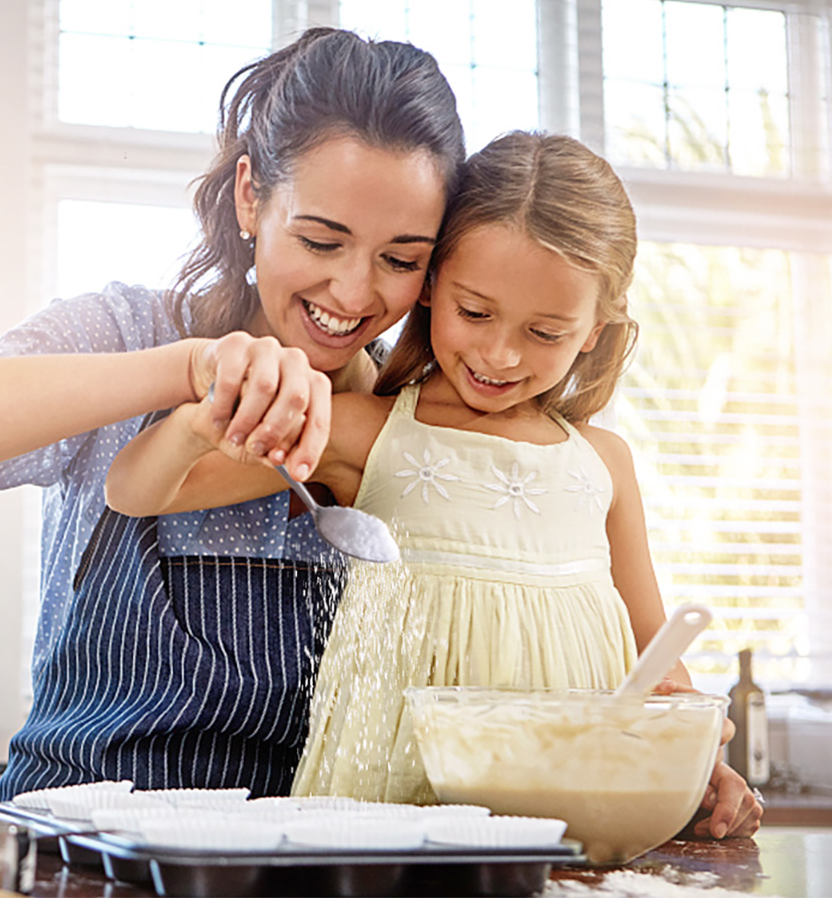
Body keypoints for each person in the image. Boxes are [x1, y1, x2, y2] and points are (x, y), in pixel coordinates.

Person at [0, 27, 462, 799]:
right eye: (320, 241)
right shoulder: (128, 333)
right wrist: (187, 368)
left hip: (300, 849)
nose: (354, 292)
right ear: (250, 196)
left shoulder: (411, 417)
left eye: (401, 260)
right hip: (75, 839)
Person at [104, 131, 763, 838]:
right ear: (428, 287)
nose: (499, 354)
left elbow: (657, 659)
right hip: (390, 813)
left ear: (594, 330)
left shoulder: (604, 463)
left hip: (578, 819)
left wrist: (695, 759)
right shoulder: (365, 430)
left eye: (545, 333)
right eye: (474, 312)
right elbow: (135, 491)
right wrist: (203, 420)